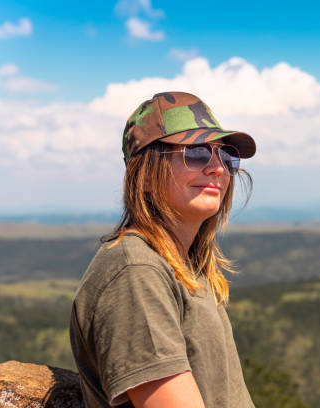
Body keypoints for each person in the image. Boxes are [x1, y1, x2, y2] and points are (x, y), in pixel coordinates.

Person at [69, 91, 256, 408]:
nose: (218, 168)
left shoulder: (184, 265)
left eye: (226, 155)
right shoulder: (136, 272)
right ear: (143, 175)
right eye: (195, 152)